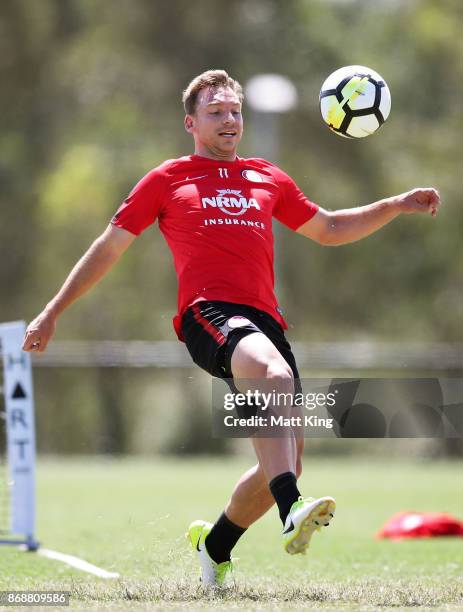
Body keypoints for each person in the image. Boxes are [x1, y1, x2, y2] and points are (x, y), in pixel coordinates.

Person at [23, 69, 440, 587]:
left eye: (235, 111)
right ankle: (293, 510)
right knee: (272, 375)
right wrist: (54, 310)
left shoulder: (268, 177)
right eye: (216, 112)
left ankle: (215, 545)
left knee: (289, 459)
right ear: (191, 123)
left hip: (265, 319)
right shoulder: (167, 180)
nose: (229, 120)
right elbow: (108, 249)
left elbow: (329, 227)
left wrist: (395, 204)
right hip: (207, 314)